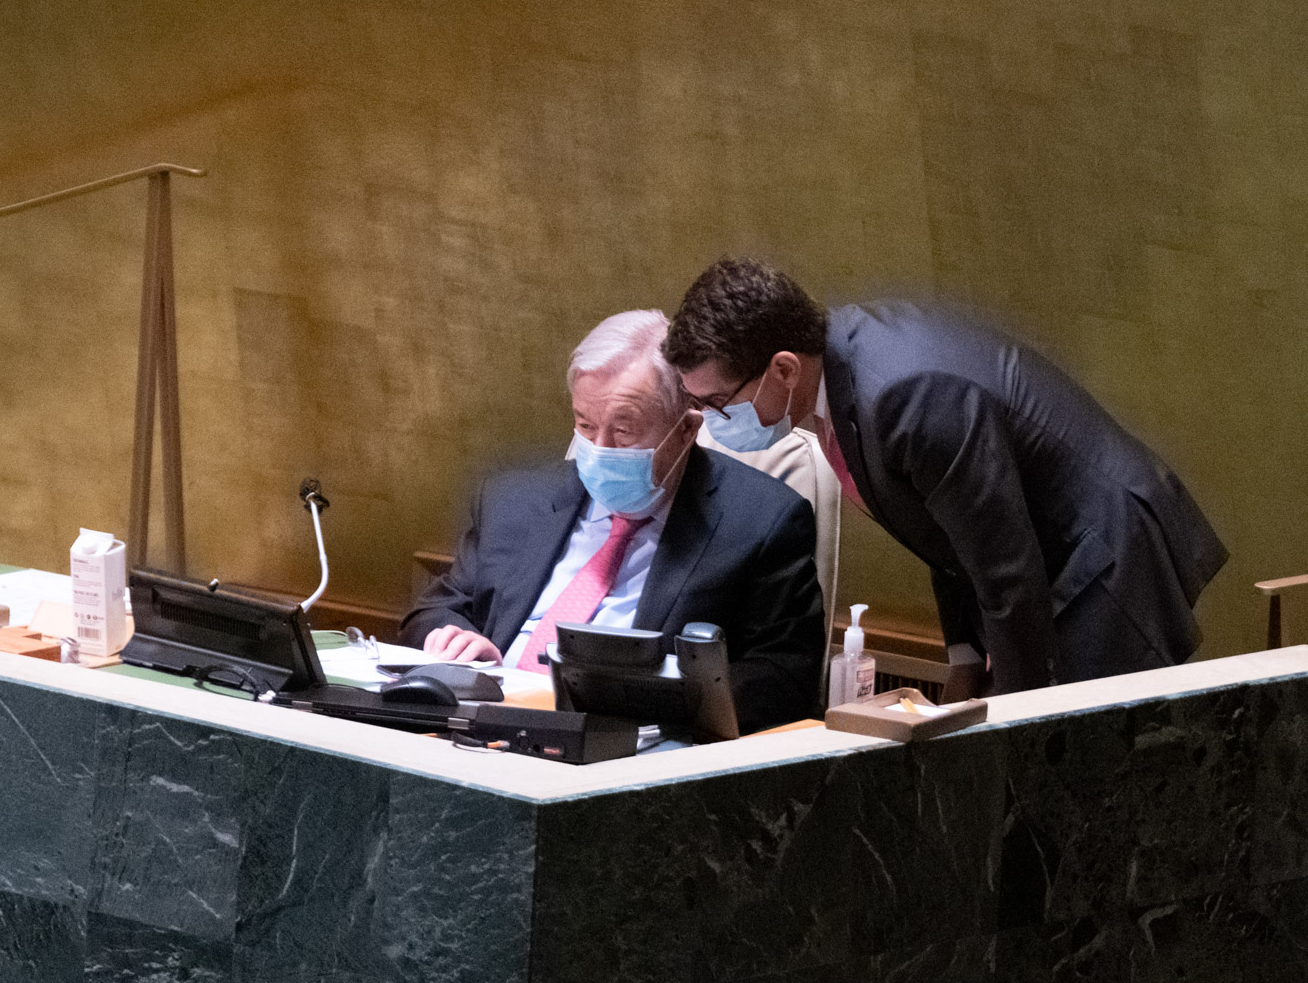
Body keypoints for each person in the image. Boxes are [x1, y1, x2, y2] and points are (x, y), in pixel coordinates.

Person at [664, 256, 1228, 694]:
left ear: (783, 368)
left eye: (718, 404)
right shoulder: (842, 374)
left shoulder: (905, 397)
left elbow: (1005, 566)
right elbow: (944, 530)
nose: (712, 421)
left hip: (1099, 554)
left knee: (1090, 773)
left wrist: (1013, 721)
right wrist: (963, 659)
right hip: (1046, 562)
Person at [401, 309, 827, 733]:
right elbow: (437, 608)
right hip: (479, 728)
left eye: (623, 432)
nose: (599, 449)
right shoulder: (511, 498)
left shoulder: (762, 521)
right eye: (585, 426)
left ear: (686, 429)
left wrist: (649, 697)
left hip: (628, 750)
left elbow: (784, 679)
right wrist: (455, 640)